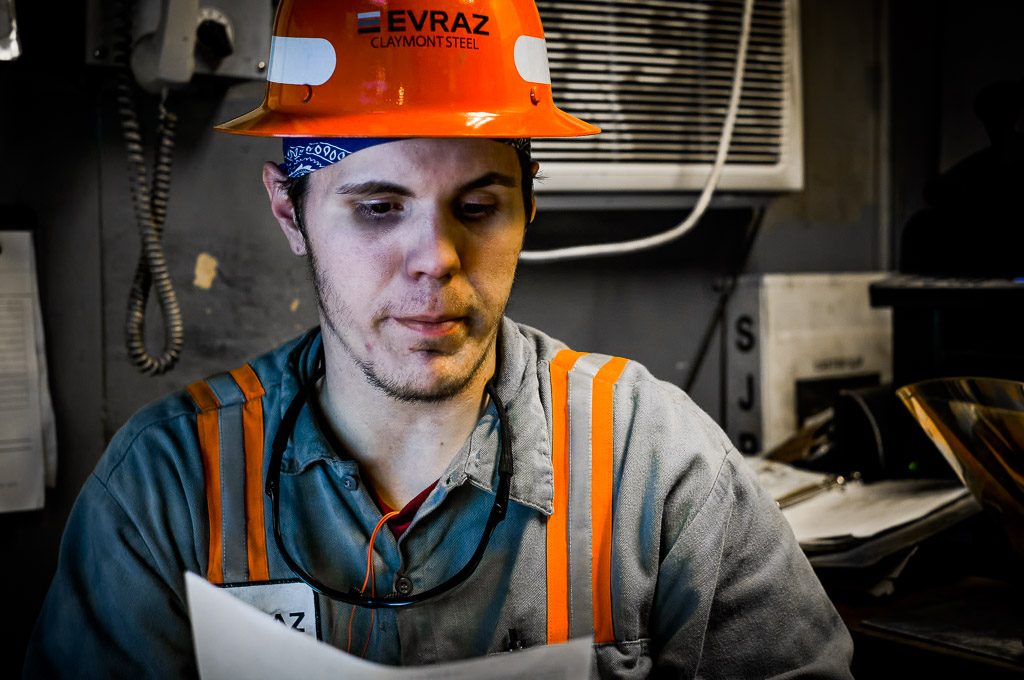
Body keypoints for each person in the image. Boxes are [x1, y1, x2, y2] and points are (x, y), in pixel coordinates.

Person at [25, 0, 854, 677]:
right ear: (291, 211)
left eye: (480, 206)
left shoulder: (657, 465)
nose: (437, 261)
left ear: (531, 207)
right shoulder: (167, 490)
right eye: (380, 208)